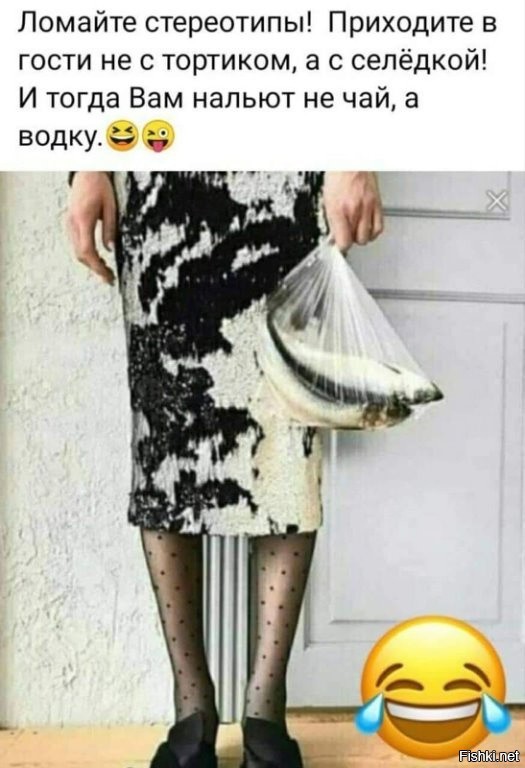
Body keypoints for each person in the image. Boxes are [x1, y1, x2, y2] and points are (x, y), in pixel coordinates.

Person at [67, 171, 384, 768]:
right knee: (167, 447)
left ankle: (266, 712)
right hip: (159, 175)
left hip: (288, 179)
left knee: (285, 440)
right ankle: (192, 710)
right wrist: (87, 165)